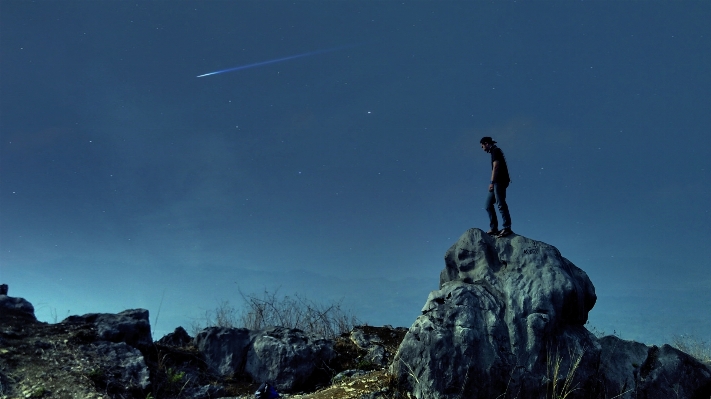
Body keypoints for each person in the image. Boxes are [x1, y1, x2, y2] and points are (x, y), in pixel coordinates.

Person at [480, 136, 513, 237]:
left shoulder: (496, 150)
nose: (482, 149)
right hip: (497, 182)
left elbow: (496, 166)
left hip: (499, 181)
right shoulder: (494, 151)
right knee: (488, 205)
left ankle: (507, 228)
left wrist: (492, 182)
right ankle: (494, 228)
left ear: (486, 143)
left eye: (482, 146)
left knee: (500, 203)